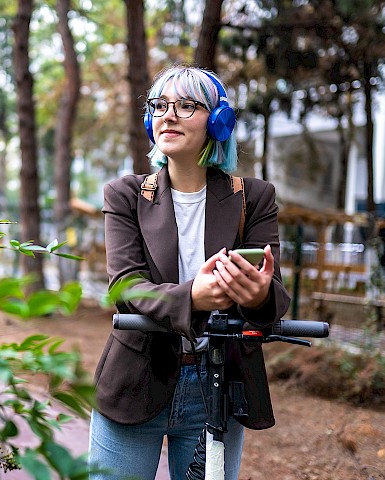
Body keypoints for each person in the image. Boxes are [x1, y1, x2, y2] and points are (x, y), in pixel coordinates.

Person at [88, 64, 291, 480]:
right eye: (159, 105)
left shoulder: (254, 197)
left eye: (186, 105)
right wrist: (193, 297)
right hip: (134, 379)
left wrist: (256, 295)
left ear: (218, 121)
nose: (169, 115)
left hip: (216, 382)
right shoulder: (126, 195)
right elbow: (125, 286)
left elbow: (275, 296)